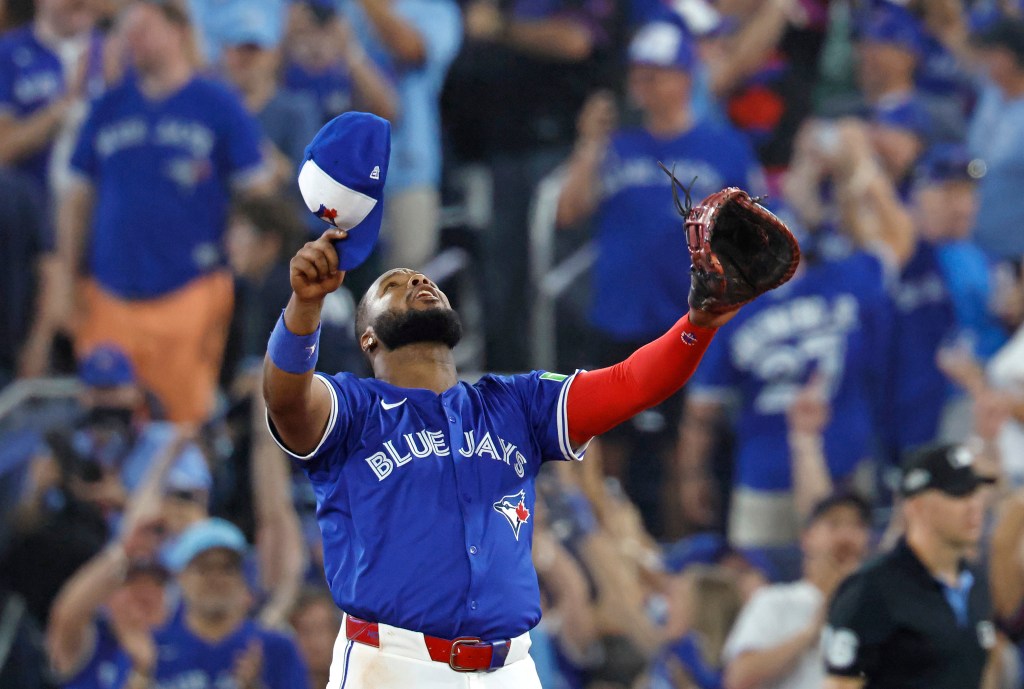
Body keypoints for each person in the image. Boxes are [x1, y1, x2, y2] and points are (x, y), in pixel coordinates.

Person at [262, 196, 764, 686]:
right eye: (394, 284)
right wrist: (305, 307)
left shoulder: (516, 403)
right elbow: (286, 401)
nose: (418, 279)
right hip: (393, 663)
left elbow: (631, 384)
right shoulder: (355, 408)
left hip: (511, 666)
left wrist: (697, 324)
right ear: (368, 337)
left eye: (426, 278)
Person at [556, 20, 763, 535]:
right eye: (640, 75)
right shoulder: (618, 146)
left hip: (687, 317)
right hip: (617, 317)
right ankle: (619, 554)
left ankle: (679, 564)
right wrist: (588, 143)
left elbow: (755, 234)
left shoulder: (725, 149)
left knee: (678, 452)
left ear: (684, 78)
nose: (644, 85)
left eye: (657, 75)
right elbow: (567, 211)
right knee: (609, 452)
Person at [48, 0, 273, 424]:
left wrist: (242, 255)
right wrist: (65, 276)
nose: (133, 39)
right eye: (127, 31)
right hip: (109, 289)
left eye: (144, 28)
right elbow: (75, 198)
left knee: (180, 424)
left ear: (177, 31)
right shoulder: (107, 106)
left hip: (189, 289)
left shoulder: (217, 104)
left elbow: (257, 194)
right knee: (105, 426)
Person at [823, 442, 998, 689]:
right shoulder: (871, 590)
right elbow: (841, 684)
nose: (974, 506)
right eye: (959, 494)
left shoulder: (976, 582)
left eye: (976, 492)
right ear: (917, 506)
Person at [119, 517, 308, 689]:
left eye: (227, 568)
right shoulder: (151, 648)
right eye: (204, 567)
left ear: (243, 577)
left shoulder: (275, 647)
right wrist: (142, 673)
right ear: (181, 577)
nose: (216, 578)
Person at [722, 493, 871, 689]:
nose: (846, 536)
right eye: (834, 524)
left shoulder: (880, 606)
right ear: (807, 537)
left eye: (857, 526)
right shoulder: (775, 601)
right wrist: (810, 633)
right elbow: (738, 678)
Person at [0, 0, 104, 197]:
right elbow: (2, 149)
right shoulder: (7, 54)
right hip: (30, 209)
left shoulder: (118, 52)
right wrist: (65, 106)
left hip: (97, 213)